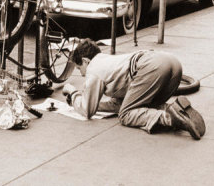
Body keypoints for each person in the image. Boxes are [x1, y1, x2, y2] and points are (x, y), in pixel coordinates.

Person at [63, 38, 205, 140]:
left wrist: (73, 93)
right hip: (171, 62)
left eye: (79, 68)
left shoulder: (93, 69)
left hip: (151, 66)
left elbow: (87, 111)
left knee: (125, 115)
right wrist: (93, 102)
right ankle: (179, 110)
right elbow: (118, 104)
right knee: (146, 106)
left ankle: (170, 118)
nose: (81, 74)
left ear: (86, 61)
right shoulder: (107, 62)